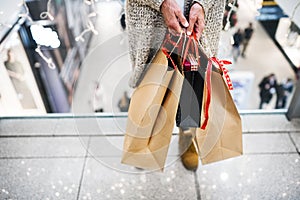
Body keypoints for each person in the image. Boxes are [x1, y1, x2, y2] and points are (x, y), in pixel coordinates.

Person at [126, 0, 226, 171]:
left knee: (193, 88)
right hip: (150, 20)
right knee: (151, 88)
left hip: (197, 25)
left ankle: (187, 137)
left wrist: (202, 3)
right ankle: (145, 139)